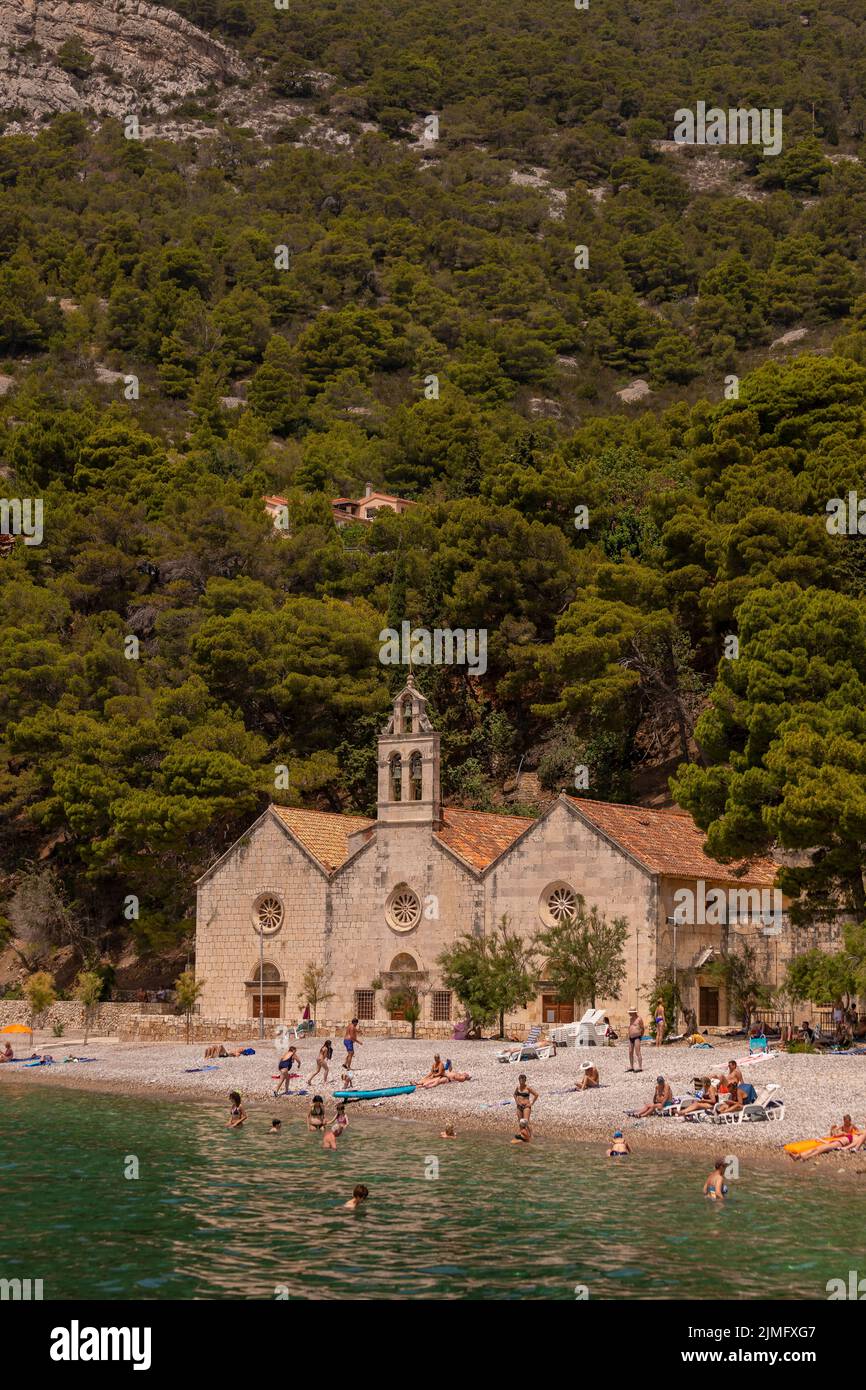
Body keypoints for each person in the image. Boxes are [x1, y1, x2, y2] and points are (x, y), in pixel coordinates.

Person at [792, 1115, 861, 1162]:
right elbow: (834, 1135)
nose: (846, 1123)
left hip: (837, 1143)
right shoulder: (847, 1133)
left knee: (819, 1149)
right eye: (845, 1122)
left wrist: (845, 1147)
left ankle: (805, 1157)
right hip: (835, 1142)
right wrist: (833, 1130)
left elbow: (854, 1143)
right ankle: (798, 1156)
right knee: (817, 1148)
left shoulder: (854, 1136)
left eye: (847, 1122)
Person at [627, 1008, 644, 1073]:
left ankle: (640, 1067)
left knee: (637, 1052)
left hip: (637, 1037)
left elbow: (642, 1028)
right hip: (631, 1037)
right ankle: (631, 1066)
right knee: (630, 1052)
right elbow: (630, 1026)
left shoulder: (639, 1019)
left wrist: (641, 1035)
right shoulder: (631, 1019)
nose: (629, 1013)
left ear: (634, 1012)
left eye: (630, 1012)